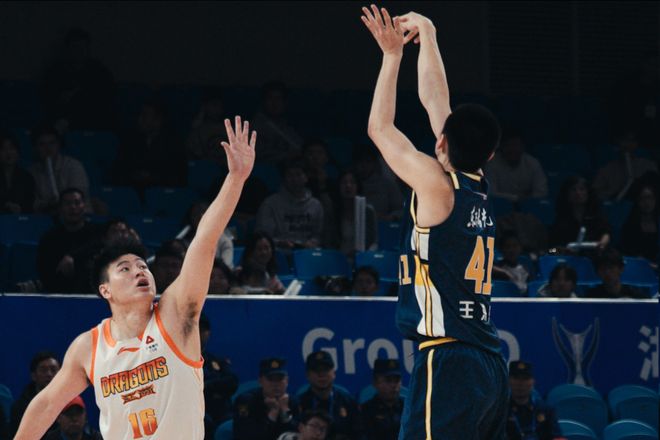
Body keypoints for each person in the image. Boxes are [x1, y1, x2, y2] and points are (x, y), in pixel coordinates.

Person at [13, 115, 256, 440]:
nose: (139, 271)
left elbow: (204, 242)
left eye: (142, 265)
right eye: (125, 269)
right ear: (105, 290)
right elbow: (46, 404)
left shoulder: (174, 315)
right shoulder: (89, 346)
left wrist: (236, 179)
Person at [362, 6, 509, 438]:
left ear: (441, 142)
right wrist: (428, 33)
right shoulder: (477, 184)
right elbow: (436, 101)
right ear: (490, 155)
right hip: (489, 363)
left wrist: (392, 57)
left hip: (450, 358)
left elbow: (380, 128)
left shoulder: (436, 186)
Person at [40, 27, 116, 131]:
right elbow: (49, 98)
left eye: (83, 47)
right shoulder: (56, 72)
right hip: (62, 119)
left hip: (93, 119)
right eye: (75, 47)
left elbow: (105, 97)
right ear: (68, 49)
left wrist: (78, 95)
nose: (79, 51)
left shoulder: (100, 72)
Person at [112, 97, 187, 197]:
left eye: (145, 116)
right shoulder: (130, 141)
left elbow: (177, 176)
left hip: (163, 195)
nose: (140, 119)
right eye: (140, 115)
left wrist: (152, 177)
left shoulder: (173, 144)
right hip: (134, 192)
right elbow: (119, 170)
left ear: (158, 120)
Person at [37, 188, 102, 293]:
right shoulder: (49, 238)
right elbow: (46, 272)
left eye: (77, 203)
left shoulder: (97, 233)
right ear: (60, 208)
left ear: (84, 206)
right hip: (58, 293)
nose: (73, 207)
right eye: (67, 203)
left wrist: (73, 257)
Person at [255, 159, 324, 250]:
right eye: (290, 175)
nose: (294, 179)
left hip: (308, 252)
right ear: (284, 178)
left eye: (298, 174)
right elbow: (263, 236)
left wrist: (312, 243)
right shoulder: (270, 204)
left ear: (306, 177)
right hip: (278, 252)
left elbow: (320, 235)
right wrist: (279, 243)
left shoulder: (316, 205)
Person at [298, 351, 361, 440]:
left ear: (334, 373)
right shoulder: (299, 403)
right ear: (308, 375)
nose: (321, 375)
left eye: (326, 370)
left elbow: (360, 434)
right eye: (317, 370)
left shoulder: (348, 402)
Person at [29, 125, 91, 214]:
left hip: (77, 215)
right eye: (42, 144)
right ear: (35, 148)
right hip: (47, 216)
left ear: (59, 145)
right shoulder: (32, 172)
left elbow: (78, 197)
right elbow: (33, 203)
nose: (48, 148)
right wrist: (48, 204)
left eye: (52, 143)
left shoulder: (73, 166)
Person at [234, 357, 299, 440]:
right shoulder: (246, 401)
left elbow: (297, 433)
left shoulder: (292, 401)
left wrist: (285, 411)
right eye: (271, 379)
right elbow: (245, 435)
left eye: (279, 379)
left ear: (287, 381)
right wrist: (273, 413)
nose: (275, 384)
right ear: (260, 381)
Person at [199, 313, 239, 436]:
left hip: (220, 413)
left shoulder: (215, 361)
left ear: (208, 333)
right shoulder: (177, 361)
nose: (199, 333)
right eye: (197, 329)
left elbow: (232, 382)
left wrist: (208, 386)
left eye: (203, 330)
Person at [483, 129, 548, 201]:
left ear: (522, 147)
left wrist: (525, 201)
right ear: (501, 147)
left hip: (528, 206)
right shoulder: (492, 164)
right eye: (508, 145)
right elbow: (490, 194)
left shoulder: (532, 163)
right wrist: (516, 198)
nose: (512, 149)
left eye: (515, 145)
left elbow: (541, 192)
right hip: (499, 206)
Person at [593, 130, 658, 201]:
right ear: (617, 142)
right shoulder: (606, 170)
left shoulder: (648, 165)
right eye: (624, 140)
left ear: (636, 144)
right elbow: (595, 195)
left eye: (632, 141)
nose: (628, 145)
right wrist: (616, 192)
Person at [549, 176, 611, 250]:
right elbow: (556, 242)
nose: (578, 193)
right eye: (573, 190)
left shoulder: (597, 215)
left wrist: (602, 243)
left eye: (582, 189)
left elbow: (605, 233)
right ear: (567, 194)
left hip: (594, 252)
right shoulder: (561, 219)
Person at [505, 361, 563, 440]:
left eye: (525, 379)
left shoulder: (546, 410)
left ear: (533, 382)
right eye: (516, 378)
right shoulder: (501, 410)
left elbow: (557, 437)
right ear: (509, 381)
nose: (520, 383)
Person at [9, 351, 61, 437]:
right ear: (34, 376)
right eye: (43, 370)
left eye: (53, 370)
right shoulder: (20, 407)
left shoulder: (70, 402)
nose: (49, 374)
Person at [329, 170, 378, 258]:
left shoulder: (368, 211)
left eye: (352, 182)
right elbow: (329, 242)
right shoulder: (333, 211)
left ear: (357, 186)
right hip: (338, 258)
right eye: (344, 182)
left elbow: (374, 241)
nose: (348, 186)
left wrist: (365, 255)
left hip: (362, 257)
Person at [252, 81, 303, 165]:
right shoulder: (254, 126)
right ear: (263, 101)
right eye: (270, 98)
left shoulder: (290, 124)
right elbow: (257, 154)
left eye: (279, 98)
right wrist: (286, 156)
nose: (275, 103)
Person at [353, 144, 403, 221]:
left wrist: (389, 217)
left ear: (374, 163)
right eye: (360, 162)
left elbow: (400, 209)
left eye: (368, 161)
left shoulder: (387, 184)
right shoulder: (349, 183)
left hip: (383, 225)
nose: (364, 166)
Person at [360, 359, 404, 440]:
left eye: (397, 380)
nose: (393, 385)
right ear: (375, 383)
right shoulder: (366, 411)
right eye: (388, 380)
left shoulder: (407, 408)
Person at [182, 201, 234, 268]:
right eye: (195, 214)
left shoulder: (224, 241)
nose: (200, 218)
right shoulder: (184, 240)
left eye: (204, 214)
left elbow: (225, 266)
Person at [620, 183, 660, 261]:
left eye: (650, 197)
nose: (647, 202)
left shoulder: (658, 222)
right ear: (637, 201)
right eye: (643, 198)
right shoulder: (630, 225)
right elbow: (628, 250)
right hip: (637, 263)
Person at [0, 131, 35, 214]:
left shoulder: (26, 177)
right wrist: (5, 206)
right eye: (3, 149)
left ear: (18, 152)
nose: (8, 152)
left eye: (12, 148)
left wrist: (20, 209)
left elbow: (30, 202)